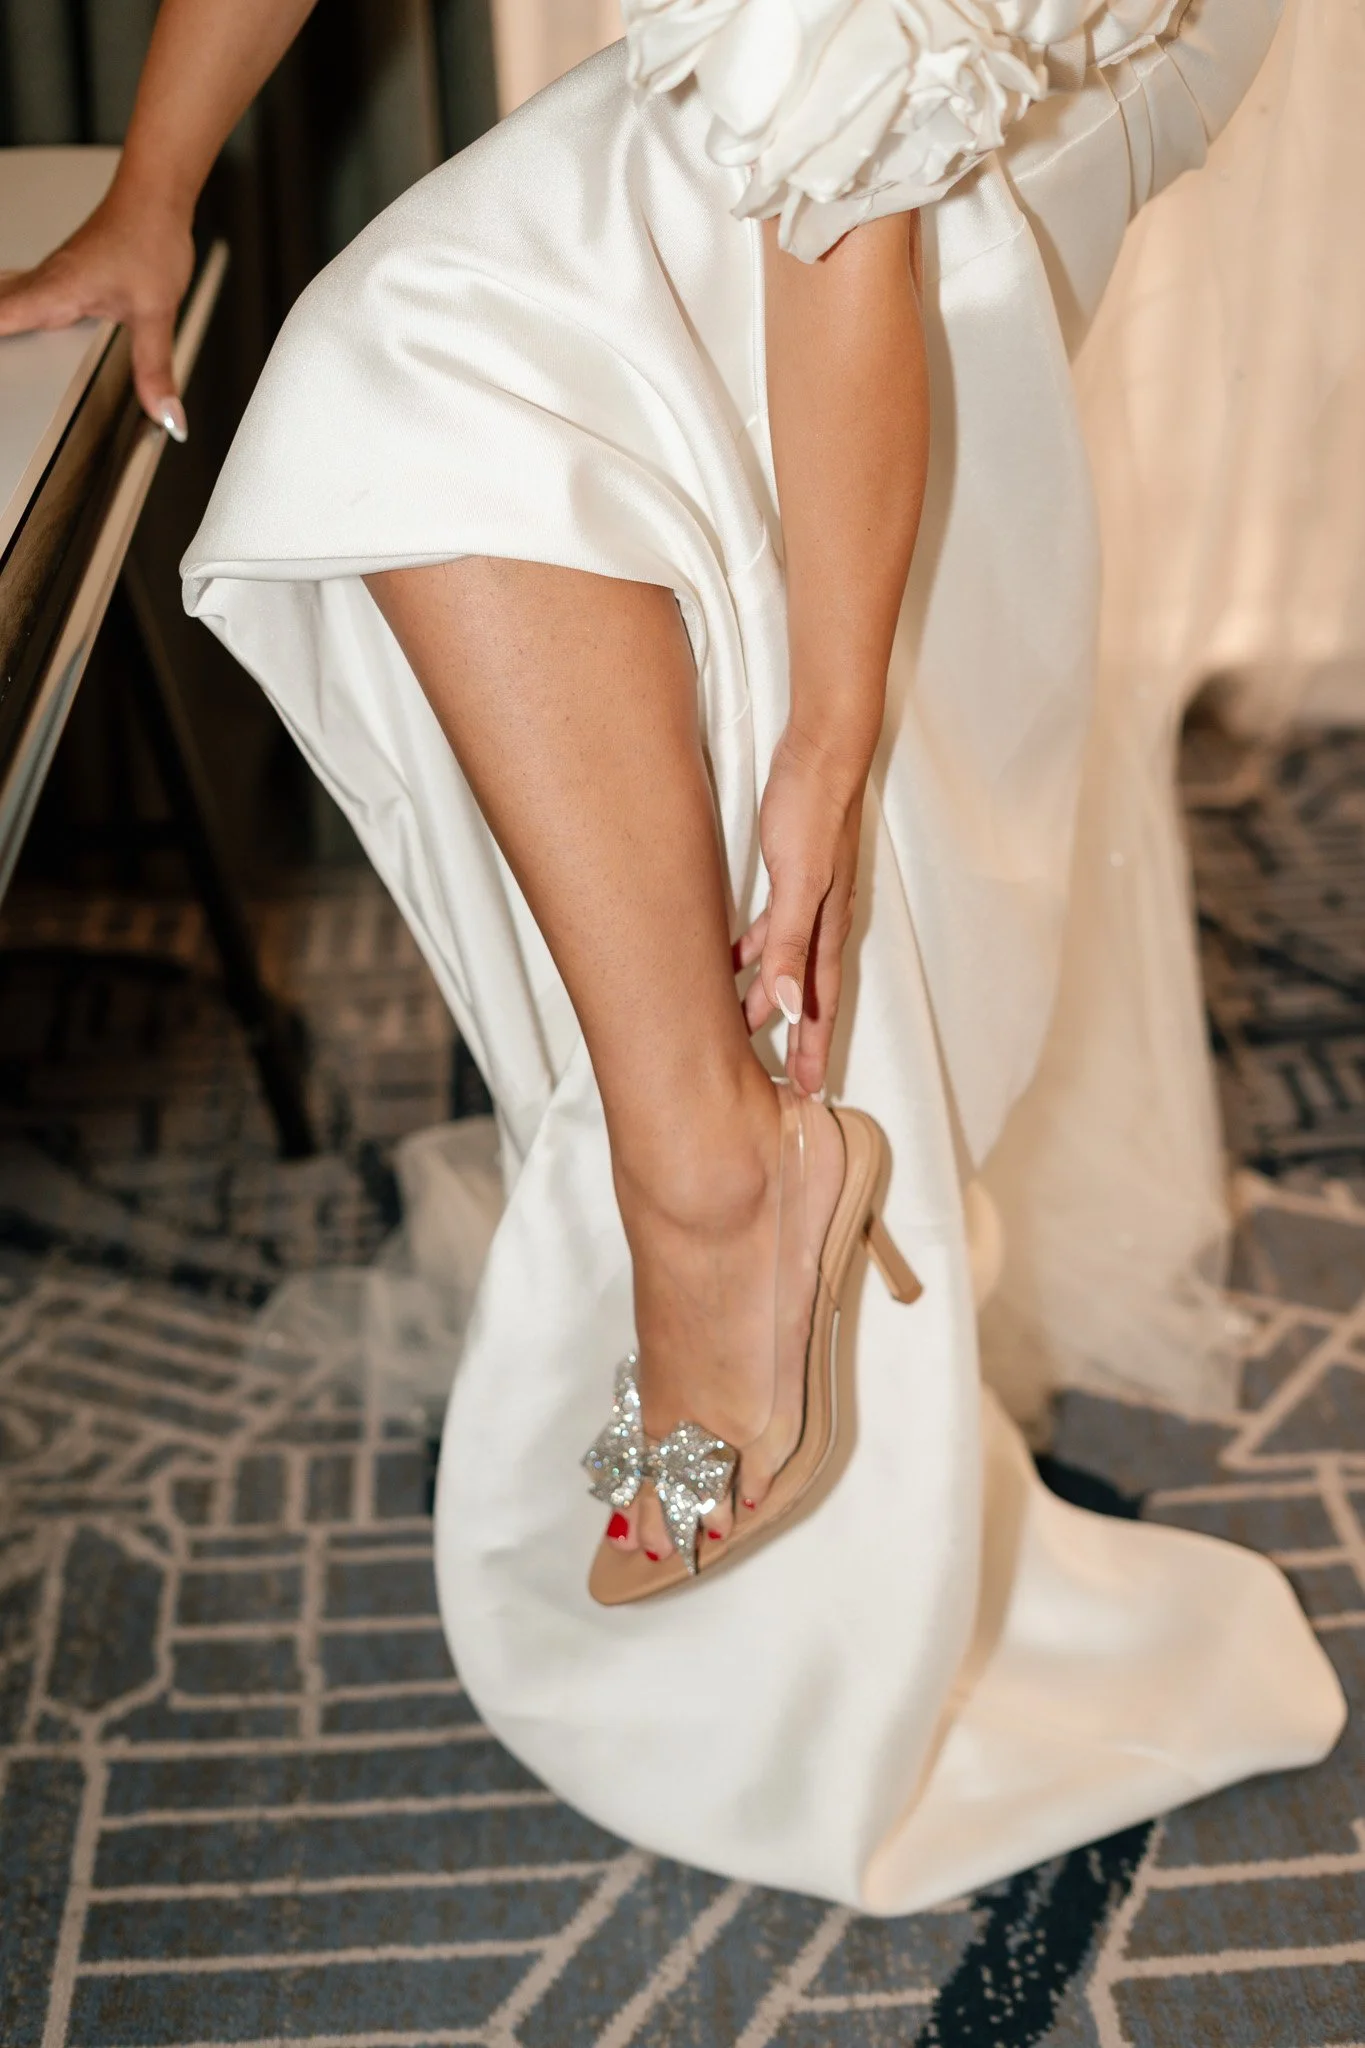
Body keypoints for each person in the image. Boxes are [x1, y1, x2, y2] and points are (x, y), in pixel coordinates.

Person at [0, 0, 1344, 1910]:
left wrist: (831, 734)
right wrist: (153, 186)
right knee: (489, 418)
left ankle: (712, 1188)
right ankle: (713, 1164)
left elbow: (852, 197)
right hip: (833, 99)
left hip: (965, 66)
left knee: (463, 370)